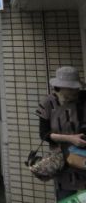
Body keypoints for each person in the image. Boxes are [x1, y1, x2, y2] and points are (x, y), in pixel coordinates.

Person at [35, 66, 86, 201]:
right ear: (61, 87)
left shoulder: (83, 98)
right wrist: (70, 139)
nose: (76, 91)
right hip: (63, 160)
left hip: (84, 157)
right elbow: (44, 134)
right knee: (66, 196)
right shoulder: (48, 103)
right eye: (71, 88)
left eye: (76, 88)